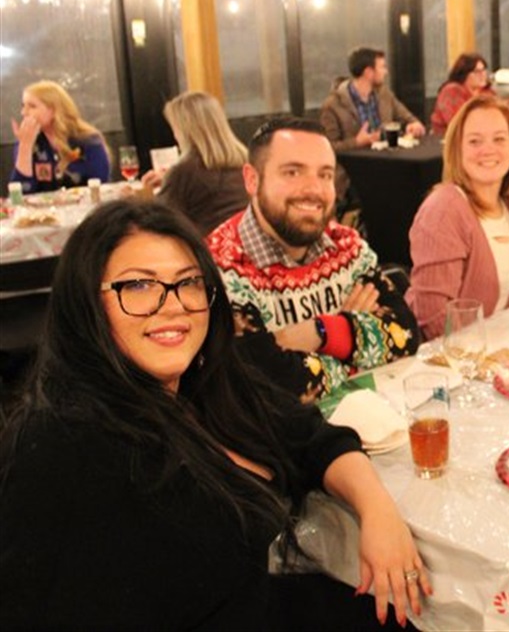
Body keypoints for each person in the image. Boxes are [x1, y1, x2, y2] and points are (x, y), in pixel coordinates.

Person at [0, 201, 430, 630]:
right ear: (86, 303)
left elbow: (311, 435)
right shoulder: (64, 446)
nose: (173, 306)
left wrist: (378, 511)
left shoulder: (202, 383)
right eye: (138, 286)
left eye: (188, 282)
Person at [207, 118, 420, 403]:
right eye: (293, 172)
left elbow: (406, 336)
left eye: (325, 175)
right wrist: (355, 349)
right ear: (252, 179)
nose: (313, 189)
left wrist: (322, 331)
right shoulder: (221, 264)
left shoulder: (348, 246)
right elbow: (263, 385)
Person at [406, 96, 509, 338]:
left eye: (499, 139)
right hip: (447, 360)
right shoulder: (445, 210)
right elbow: (435, 321)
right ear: (457, 150)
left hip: (496, 355)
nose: (488, 150)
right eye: (475, 141)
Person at [320, 47, 426, 204]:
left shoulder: (384, 94)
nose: (386, 72)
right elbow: (327, 149)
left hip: (389, 164)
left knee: (417, 184)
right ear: (368, 72)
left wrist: (414, 125)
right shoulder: (333, 105)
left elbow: (408, 117)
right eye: (382, 67)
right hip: (354, 175)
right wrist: (357, 142)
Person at [138, 91, 249, 236]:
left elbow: (159, 223)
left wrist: (134, 201)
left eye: (175, 128)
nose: (174, 135)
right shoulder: (248, 161)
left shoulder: (184, 172)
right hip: (247, 248)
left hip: (209, 253)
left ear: (185, 131)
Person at [9, 79, 110, 194]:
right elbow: (21, 194)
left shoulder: (88, 140)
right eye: (23, 106)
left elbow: (101, 185)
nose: (24, 112)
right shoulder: (28, 142)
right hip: (42, 211)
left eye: (32, 106)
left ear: (53, 110)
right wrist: (25, 147)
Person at [430, 53, 494, 136]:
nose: (483, 75)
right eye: (477, 71)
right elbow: (458, 123)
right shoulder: (451, 91)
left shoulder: (487, 92)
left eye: (484, 70)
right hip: (447, 140)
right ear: (464, 74)